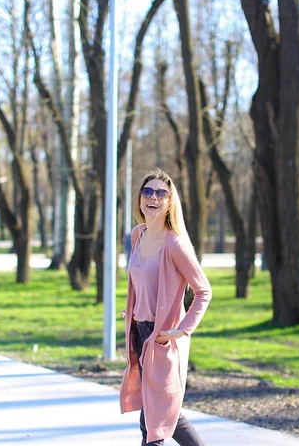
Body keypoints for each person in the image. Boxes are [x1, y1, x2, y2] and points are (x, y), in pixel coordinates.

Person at [119, 168, 212, 446]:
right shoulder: (138, 235)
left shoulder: (175, 244)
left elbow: (203, 291)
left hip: (162, 339)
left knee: (156, 423)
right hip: (139, 333)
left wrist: (182, 331)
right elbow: (140, 285)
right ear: (139, 200)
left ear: (170, 202)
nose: (153, 198)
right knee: (159, 418)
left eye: (162, 193)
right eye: (148, 191)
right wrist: (135, 310)